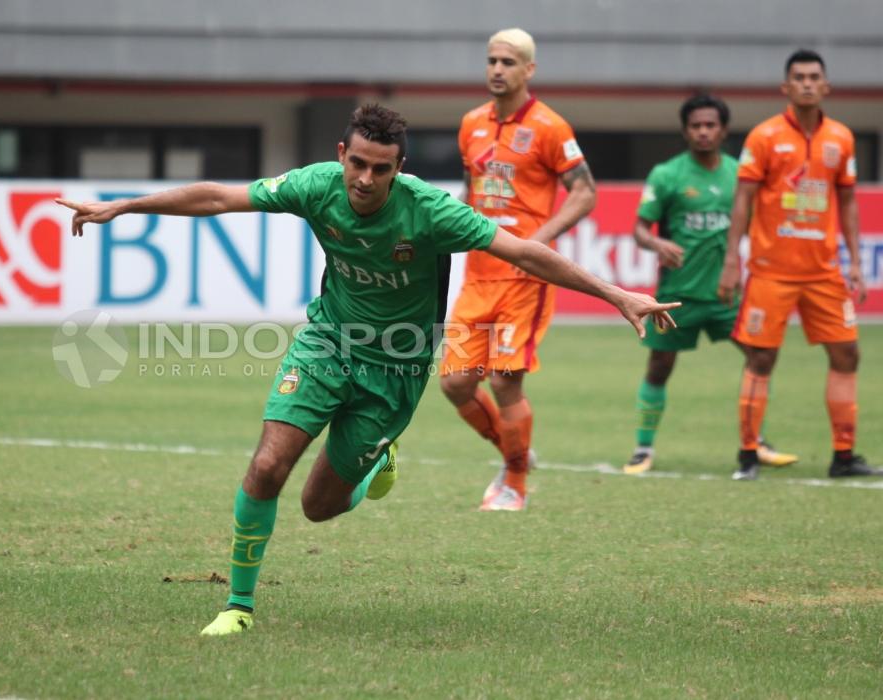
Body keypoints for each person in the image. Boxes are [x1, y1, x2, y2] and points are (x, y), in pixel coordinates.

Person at [57, 104, 678, 636]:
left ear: (399, 168)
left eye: (381, 168)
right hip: (327, 344)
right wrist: (124, 206)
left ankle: (378, 458)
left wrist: (617, 294)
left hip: (396, 372)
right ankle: (238, 605)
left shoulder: (431, 212)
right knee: (269, 463)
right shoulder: (316, 185)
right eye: (357, 163)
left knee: (318, 507)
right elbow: (221, 196)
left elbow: (523, 251)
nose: (365, 178)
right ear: (342, 154)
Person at [438, 28, 596, 511]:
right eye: (492, 61)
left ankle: (515, 484)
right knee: (455, 383)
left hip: (524, 279)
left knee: (506, 381)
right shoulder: (471, 124)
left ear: (529, 70)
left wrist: (537, 243)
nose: (497, 70)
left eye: (509, 62)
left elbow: (585, 192)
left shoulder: (550, 127)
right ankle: (514, 453)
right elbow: (472, 193)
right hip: (478, 274)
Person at [718, 49, 879, 480]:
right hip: (771, 272)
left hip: (824, 272)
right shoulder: (765, 137)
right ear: (785, 87)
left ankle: (844, 457)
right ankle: (748, 455)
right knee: (761, 359)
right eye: (799, 77)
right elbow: (743, 200)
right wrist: (733, 259)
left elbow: (847, 202)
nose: (807, 83)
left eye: (814, 77)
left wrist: (856, 264)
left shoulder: (841, 139)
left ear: (826, 86)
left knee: (847, 354)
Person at [624, 93, 797, 474]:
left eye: (710, 125)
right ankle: (643, 449)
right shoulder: (667, 174)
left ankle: (757, 441)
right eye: (696, 126)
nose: (703, 132)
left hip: (726, 292)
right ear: (686, 131)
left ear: (723, 130)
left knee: (759, 357)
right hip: (677, 296)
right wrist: (656, 241)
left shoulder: (741, 174)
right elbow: (638, 229)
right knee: (659, 366)